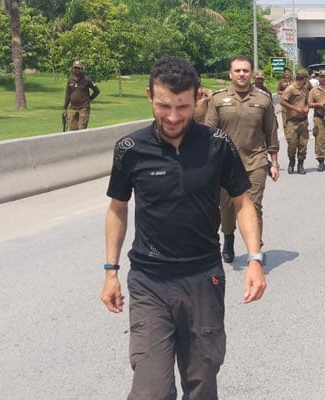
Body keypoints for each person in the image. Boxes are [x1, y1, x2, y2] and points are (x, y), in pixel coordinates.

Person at [100, 56, 266, 400]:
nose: (173, 117)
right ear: (149, 96)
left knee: (201, 381)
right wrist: (111, 271)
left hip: (203, 278)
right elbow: (118, 209)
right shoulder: (130, 150)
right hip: (149, 281)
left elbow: (242, 202)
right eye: (164, 106)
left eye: (183, 107)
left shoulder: (217, 144)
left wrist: (254, 258)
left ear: (198, 99)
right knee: (150, 391)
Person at [205, 56, 279, 264]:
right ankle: (228, 238)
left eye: (246, 71)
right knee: (226, 208)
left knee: (254, 206)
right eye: (237, 71)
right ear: (231, 73)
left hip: (255, 161)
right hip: (225, 164)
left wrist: (274, 161)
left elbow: (271, 131)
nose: (242, 74)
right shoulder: (218, 100)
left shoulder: (263, 100)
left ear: (251, 73)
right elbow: (210, 133)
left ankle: (255, 250)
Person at [279, 69, 310, 175]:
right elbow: (282, 101)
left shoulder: (305, 89)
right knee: (292, 145)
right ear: (304, 78)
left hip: (303, 121)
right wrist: (295, 108)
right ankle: (291, 162)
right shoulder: (291, 88)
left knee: (303, 145)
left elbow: (308, 102)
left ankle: (300, 165)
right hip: (292, 121)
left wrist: (307, 108)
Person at [62, 60, 100, 131]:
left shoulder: (87, 79)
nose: (77, 70)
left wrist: (89, 99)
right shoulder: (70, 79)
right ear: (72, 68)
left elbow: (97, 91)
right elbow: (67, 95)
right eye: (75, 68)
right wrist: (64, 108)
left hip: (83, 108)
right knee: (72, 130)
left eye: (78, 68)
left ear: (82, 69)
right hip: (73, 107)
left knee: (81, 129)